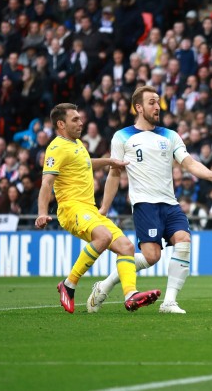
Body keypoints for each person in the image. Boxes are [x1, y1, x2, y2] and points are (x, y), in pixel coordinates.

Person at [89, 86, 212, 315]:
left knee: (184, 240)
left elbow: (189, 163)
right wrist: (104, 207)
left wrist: (211, 175)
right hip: (145, 205)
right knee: (152, 257)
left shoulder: (170, 135)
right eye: (152, 102)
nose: (157, 107)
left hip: (170, 203)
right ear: (139, 107)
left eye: (158, 102)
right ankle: (105, 285)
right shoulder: (122, 136)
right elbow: (114, 174)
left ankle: (169, 302)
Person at [35, 103, 161, 314]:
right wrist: (42, 212)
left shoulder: (76, 144)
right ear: (61, 124)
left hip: (89, 209)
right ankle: (69, 284)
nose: (81, 122)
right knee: (103, 237)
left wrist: (110, 161)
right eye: (75, 119)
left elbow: (85, 162)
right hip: (72, 208)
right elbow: (47, 182)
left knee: (126, 247)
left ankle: (130, 295)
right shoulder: (56, 148)